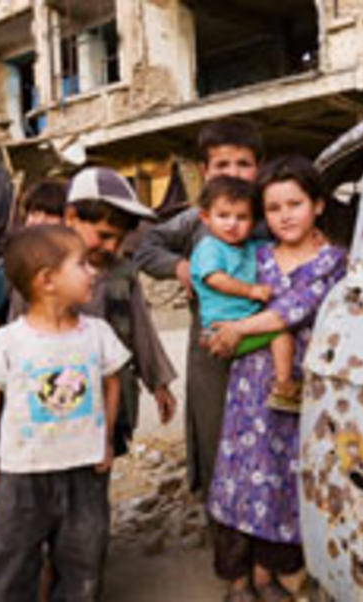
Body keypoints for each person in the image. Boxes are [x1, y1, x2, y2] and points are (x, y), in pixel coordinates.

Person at [204, 156, 347, 602]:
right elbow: (219, 295)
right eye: (273, 208)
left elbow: (295, 308)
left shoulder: (334, 262)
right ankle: (237, 580)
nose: (285, 215)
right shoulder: (255, 256)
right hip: (248, 386)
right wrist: (221, 331)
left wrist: (239, 329)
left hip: (299, 388)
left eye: (295, 203)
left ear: (318, 205)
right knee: (238, 477)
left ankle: (269, 575)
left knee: (283, 480)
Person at [0, 225, 130, 602]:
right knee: (9, 564)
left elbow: (112, 383)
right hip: (22, 475)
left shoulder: (97, 333)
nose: (93, 272)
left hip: (84, 472)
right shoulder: (8, 341)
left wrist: (105, 441)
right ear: (47, 280)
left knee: (83, 562)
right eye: (81, 264)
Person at [133, 117, 263, 497]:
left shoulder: (270, 214)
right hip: (209, 346)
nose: (234, 174)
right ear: (205, 171)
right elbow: (146, 247)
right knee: (214, 429)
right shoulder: (197, 220)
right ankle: (219, 517)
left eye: (244, 164)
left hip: (267, 340)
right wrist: (181, 267)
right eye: (222, 165)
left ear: (259, 167)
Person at [65, 166, 178, 453]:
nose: (112, 246)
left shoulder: (122, 273)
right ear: (70, 218)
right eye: (103, 235)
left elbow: (141, 330)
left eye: (119, 238)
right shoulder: (40, 271)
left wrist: (159, 384)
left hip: (112, 396)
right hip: (59, 400)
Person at [190, 176, 299, 411]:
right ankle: (285, 386)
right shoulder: (210, 247)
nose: (232, 224)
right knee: (281, 332)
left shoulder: (252, 247)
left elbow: (280, 246)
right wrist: (251, 290)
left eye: (242, 217)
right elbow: (214, 278)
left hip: (243, 324)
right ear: (205, 217)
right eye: (223, 216)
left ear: (253, 221)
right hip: (223, 330)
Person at [0, 179, 66, 334]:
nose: (40, 221)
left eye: (50, 214)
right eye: (35, 213)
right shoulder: (16, 255)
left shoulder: (75, 265)